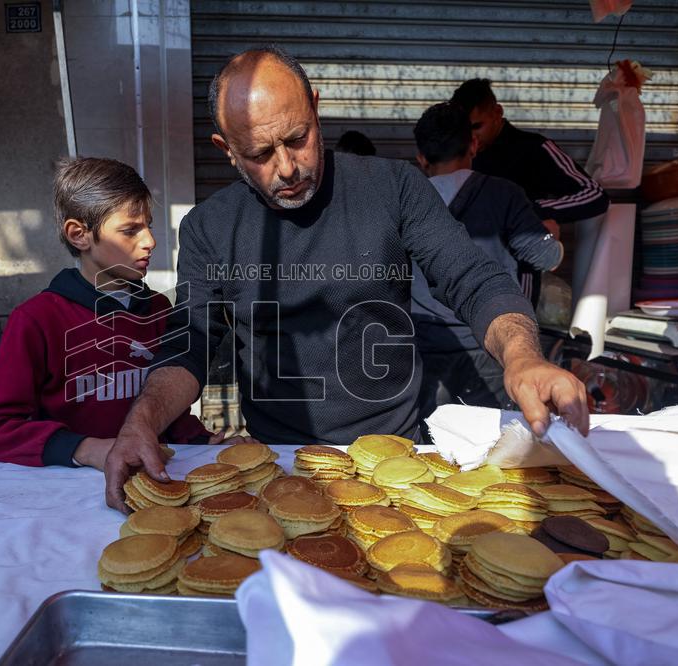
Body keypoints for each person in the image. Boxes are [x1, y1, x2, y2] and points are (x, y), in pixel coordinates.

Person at [104, 47, 589, 512]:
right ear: (226, 150)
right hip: (276, 463)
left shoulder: (394, 187)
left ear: (315, 108)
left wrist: (523, 357)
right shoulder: (209, 227)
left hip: (392, 457)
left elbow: (472, 277)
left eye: (297, 138)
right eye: (260, 153)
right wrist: (142, 422)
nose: (287, 168)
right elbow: (190, 342)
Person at [0, 157, 219, 470]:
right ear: (79, 234)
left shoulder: (157, 309)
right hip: (68, 486)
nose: (150, 241)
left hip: (150, 478)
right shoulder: (37, 320)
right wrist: (87, 449)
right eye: (130, 230)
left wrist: (204, 442)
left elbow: (168, 413)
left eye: (149, 226)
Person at [411, 102, 563, 426]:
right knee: (489, 444)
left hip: (421, 350)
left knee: (424, 448)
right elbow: (544, 257)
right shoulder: (502, 194)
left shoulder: (406, 198)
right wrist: (552, 234)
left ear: (422, 158)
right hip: (489, 345)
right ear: (474, 144)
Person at [450, 78, 609, 301]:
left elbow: (595, 195)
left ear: (497, 112)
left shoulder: (534, 149)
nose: (472, 138)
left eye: (478, 127)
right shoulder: (455, 155)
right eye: (465, 130)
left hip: (516, 281)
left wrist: (531, 210)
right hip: (464, 278)